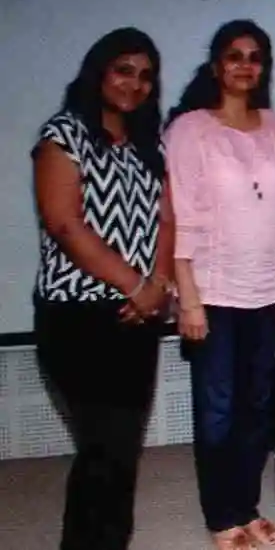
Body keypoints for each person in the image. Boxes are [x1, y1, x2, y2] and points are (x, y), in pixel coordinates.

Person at [31, 28, 173, 550]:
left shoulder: (150, 144)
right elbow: (65, 224)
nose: (134, 83)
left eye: (145, 76)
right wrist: (137, 285)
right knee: (102, 449)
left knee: (123, 449)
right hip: (77, 318)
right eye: (123, 70)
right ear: (99, 72)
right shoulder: (63, 134)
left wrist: (157, 286)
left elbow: (167, 219)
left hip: (139, 316)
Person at [165, 20, 275, 550]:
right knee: (217, 411)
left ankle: (247, 506)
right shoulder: (190, 128)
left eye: (254, 57)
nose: (245, 65)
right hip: (212, 292)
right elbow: (181, 215)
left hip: (265, 289)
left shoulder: (273, 124)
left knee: (256, 408)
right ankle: (221, 517)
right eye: (234, 56)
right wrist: (187, 298)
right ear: (217, 65)